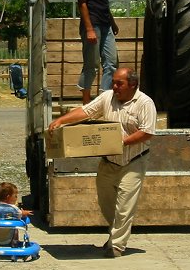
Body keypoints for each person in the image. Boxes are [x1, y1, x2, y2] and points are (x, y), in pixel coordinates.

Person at [48, 68, 156, 258]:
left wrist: (121, 142)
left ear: (132, 85)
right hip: (109, 162)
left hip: (133, 161)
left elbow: (147, 132)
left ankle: (117, 246)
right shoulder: (107, 97)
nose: (114, 87)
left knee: (124, 206)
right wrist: (60, 121)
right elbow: (86, 111)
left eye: (119, 83)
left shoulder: (145, 103)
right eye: (113, 82)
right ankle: (115, 234)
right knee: (106, 204)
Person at [75, 0, 121, 104]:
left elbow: (103, 1)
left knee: (111, 62)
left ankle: (104, 100)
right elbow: (82, 2)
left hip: (105, 23)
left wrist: (112, 23)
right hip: (93, 24)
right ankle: (86, 104)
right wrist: (89, 29)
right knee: (92, 64)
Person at [0, 182, 32, 247]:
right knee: (15, 227)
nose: (16, 198)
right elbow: (20, 214)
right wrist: (24, 213)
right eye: (15, 196)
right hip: (9, 238)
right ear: (8, 197)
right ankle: (14, 242)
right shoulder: (14, 210)